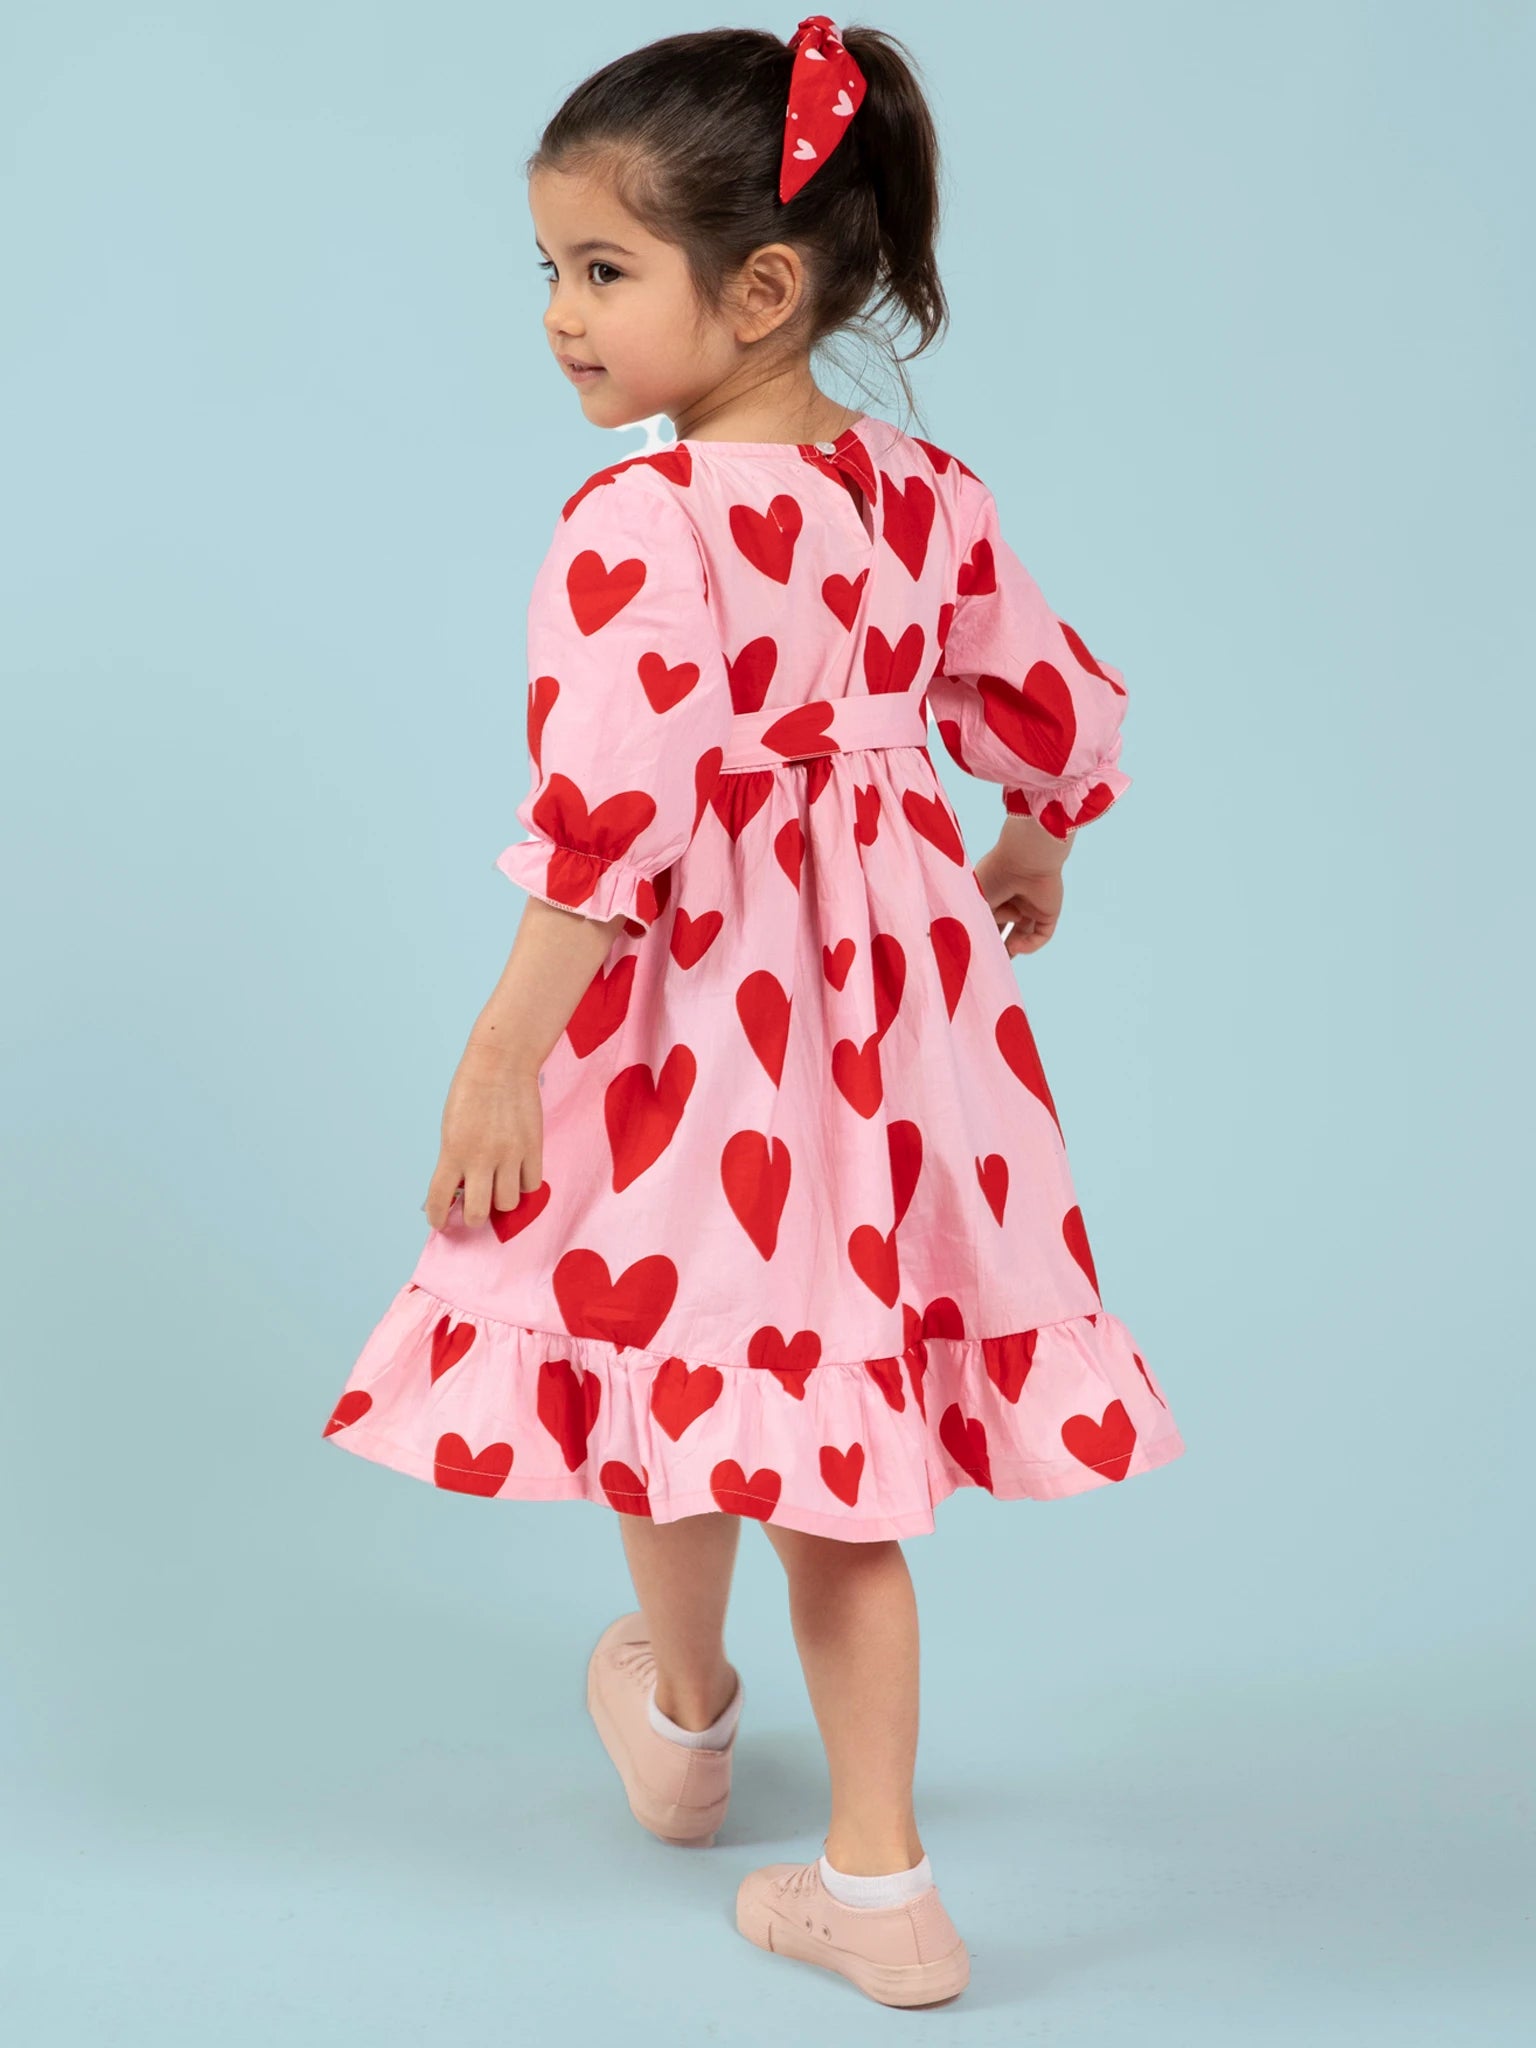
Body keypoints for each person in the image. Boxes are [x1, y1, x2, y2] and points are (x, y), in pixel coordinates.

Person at [320, 14, 1186, 2009]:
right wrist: (1040, 840)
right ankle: (802, 1817)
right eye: (547, 269)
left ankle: (743, 1761)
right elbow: (1042, 693)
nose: (560, 314)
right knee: (828, 1419)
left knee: (675, 1339)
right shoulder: (915, 496)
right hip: (886, 1051)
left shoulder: (644, 524)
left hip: (698, 1033)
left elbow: (602, 829)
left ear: (765, 286)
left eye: (603, 270)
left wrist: (502, 1052)